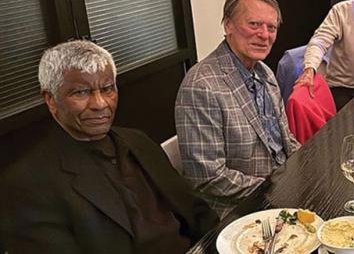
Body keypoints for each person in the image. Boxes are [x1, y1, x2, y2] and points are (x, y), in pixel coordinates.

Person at [0, 40, 217, 253]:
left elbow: (197, 213)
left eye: (107, 89)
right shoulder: (26, 183)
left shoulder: (138, 141)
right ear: (51, 100)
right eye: (81, 92)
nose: (100, 104)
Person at [175, 0, 301, 217]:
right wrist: (274, 189)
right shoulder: (201, 85)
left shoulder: (264, 73)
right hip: (239, 211)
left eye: (271, 27)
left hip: (281, 189)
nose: (264, 34)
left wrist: (307, 165)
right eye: (254, 24)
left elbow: (284, 140)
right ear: (228, 25)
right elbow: (208, 177)